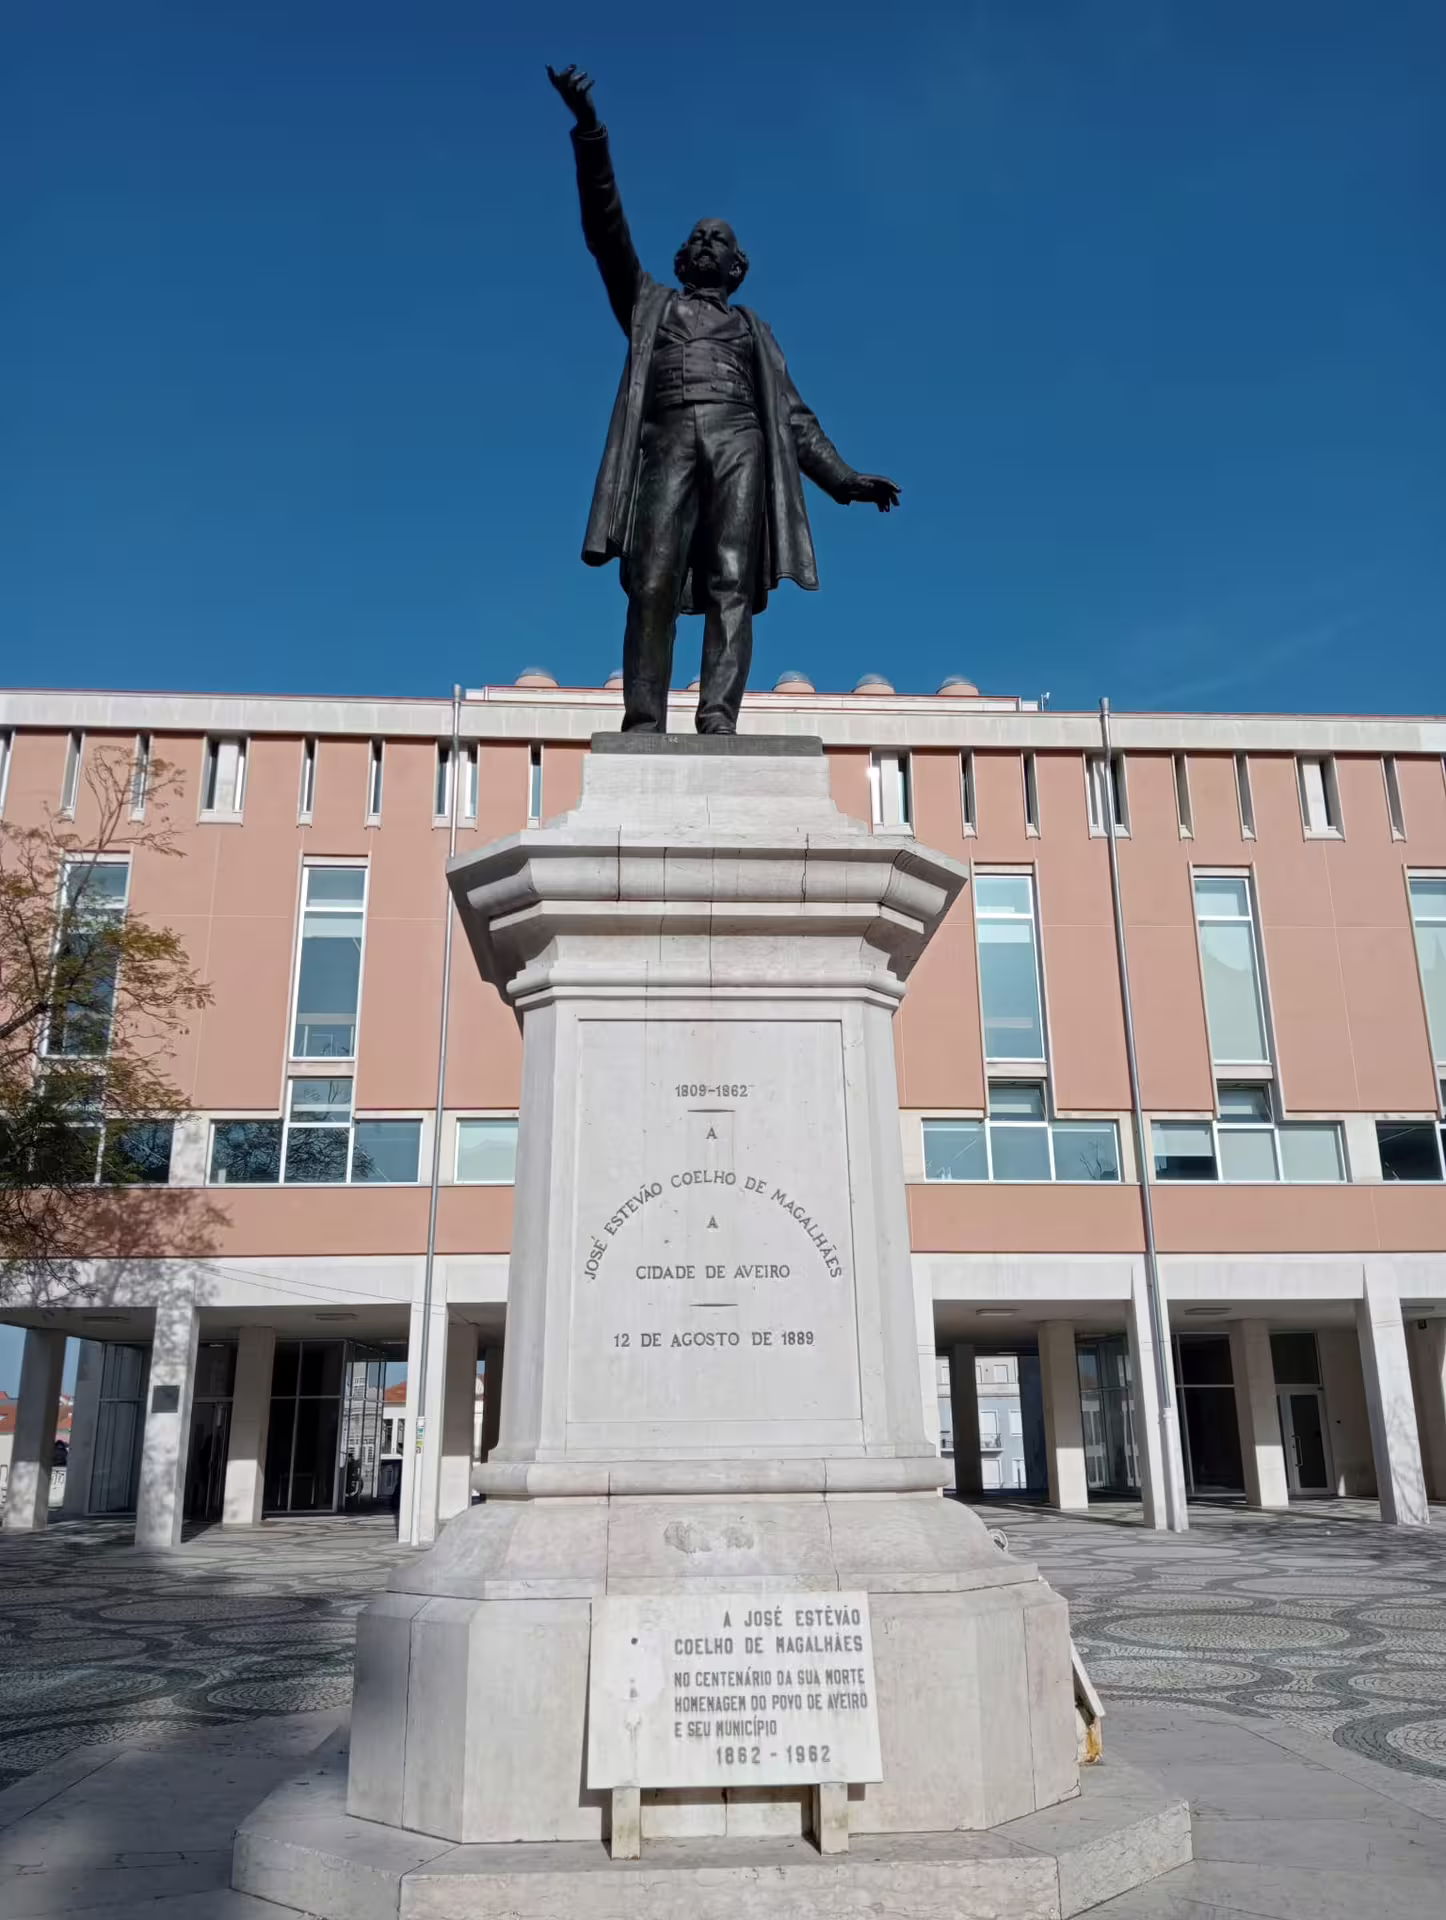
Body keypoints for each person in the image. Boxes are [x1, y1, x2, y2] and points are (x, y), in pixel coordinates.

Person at [548, 64, 900, 735]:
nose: (708, 244)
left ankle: (718, 717)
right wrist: (590, 134)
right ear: (683, 260)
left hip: (741, 440)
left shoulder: (752, 332)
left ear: (737, 269)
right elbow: (606, 232)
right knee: (650, 579)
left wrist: (845, 480)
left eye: (722, 241)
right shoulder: (650, 305)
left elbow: (793, 418)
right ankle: (644, 719)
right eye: (699, 238)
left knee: (732, 582)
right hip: (668, 441)